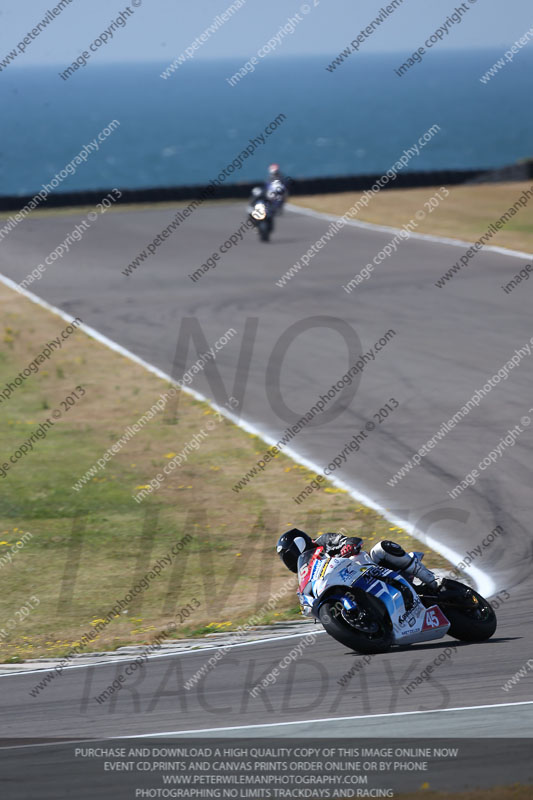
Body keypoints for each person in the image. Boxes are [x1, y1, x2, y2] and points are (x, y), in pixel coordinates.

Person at [276, 528, 438, 588]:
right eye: (287, 558)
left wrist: (348, 546)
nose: (290, 560)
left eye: (290, 555)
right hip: (350, 589)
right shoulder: (306, 574)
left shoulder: (323, 542)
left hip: (367, 570)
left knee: (382, 547)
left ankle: (431, 580)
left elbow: (349, 540)